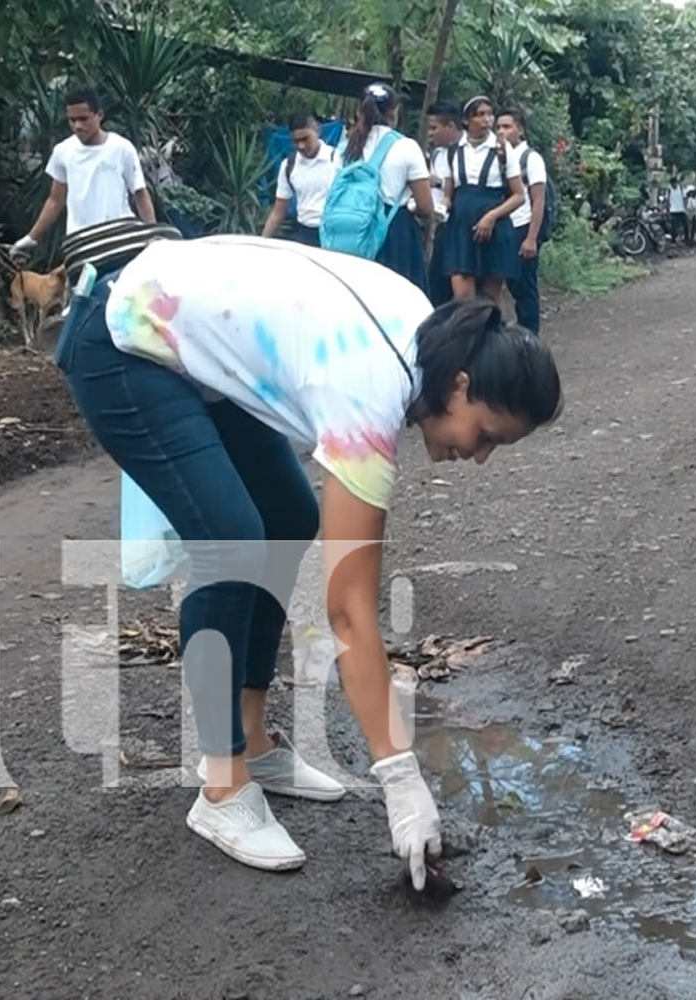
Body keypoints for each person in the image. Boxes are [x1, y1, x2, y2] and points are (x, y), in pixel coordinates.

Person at [51, 221, 562, 880]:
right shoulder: (368, 394)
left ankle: (254, 739)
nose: (480, 455)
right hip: (124, 340)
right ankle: (223, 786)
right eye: (486, 433)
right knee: (231, 541)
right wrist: (399, 777)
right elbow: (349, 610)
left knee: (288, 516)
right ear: (460, 384)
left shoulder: (425, 337)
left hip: (187, 345)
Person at [10, 86, 156, 261]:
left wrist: (152, 236)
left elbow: (140, 193)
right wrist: (32, 237)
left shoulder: (122, 149)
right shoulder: (63, 151)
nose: (77, 126)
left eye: (83, 119)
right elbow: (55, 200)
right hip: (81, 245)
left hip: (120, 240)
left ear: (99, 115)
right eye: (72, 120)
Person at [332, 82, 434, 292]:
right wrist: (411, 207)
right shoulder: (406, 146)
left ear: (360, 111)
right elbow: (426, 208)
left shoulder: (344, 148)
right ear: (395, 112)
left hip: (347, 233)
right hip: (392, 230)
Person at [436, 95, 526, 304]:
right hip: (461, 227)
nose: (487, 119)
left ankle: (496, 335)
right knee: (462, 295)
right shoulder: (453, 152)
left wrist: (492, 216)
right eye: (480, 115)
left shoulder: (503, 150)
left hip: (494, 225)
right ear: (466, 120)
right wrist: (440, 209)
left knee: (491, 296)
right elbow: (449, 195)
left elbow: (519, 196)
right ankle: (466, 336)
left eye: (489, 114)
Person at [495, 107, 548, 336]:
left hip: (523, 226)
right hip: (505, 227)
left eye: (507, 127)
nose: (501, 132)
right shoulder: (499, 159)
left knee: (525, 288)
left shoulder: (531, 159)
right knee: (505, 283)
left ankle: (530, 338)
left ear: (521, 130)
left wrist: (531, 238)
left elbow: (538, 200)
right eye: (498, 127)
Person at [261, 111, 336, 246]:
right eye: (296, 141)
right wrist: (261, 243)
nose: (301, 146)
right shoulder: (289, 165)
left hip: (334, 234)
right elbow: (278, 212)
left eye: (305, 138)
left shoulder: (337, 160)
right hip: (304, 234)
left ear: (317, 131)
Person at [422, 100, 463, 308]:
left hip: (459, 227)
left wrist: (437, 182)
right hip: (441, 225)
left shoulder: (464, 154)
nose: (430, 133)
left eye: (434, 128)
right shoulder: (438, 153)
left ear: (451, 127)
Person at [667, 177, 688, 244]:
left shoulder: (681, 189)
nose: (674, 185)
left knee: (685, 225)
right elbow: (667, 201)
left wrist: (685, 207)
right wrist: (667, 209)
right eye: (672, 183)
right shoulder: (669, 191)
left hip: (681, 210)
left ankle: (686, 239)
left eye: (675, 183)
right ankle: (673, 240)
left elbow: (685, 199)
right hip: (673, 210)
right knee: (673, 226)